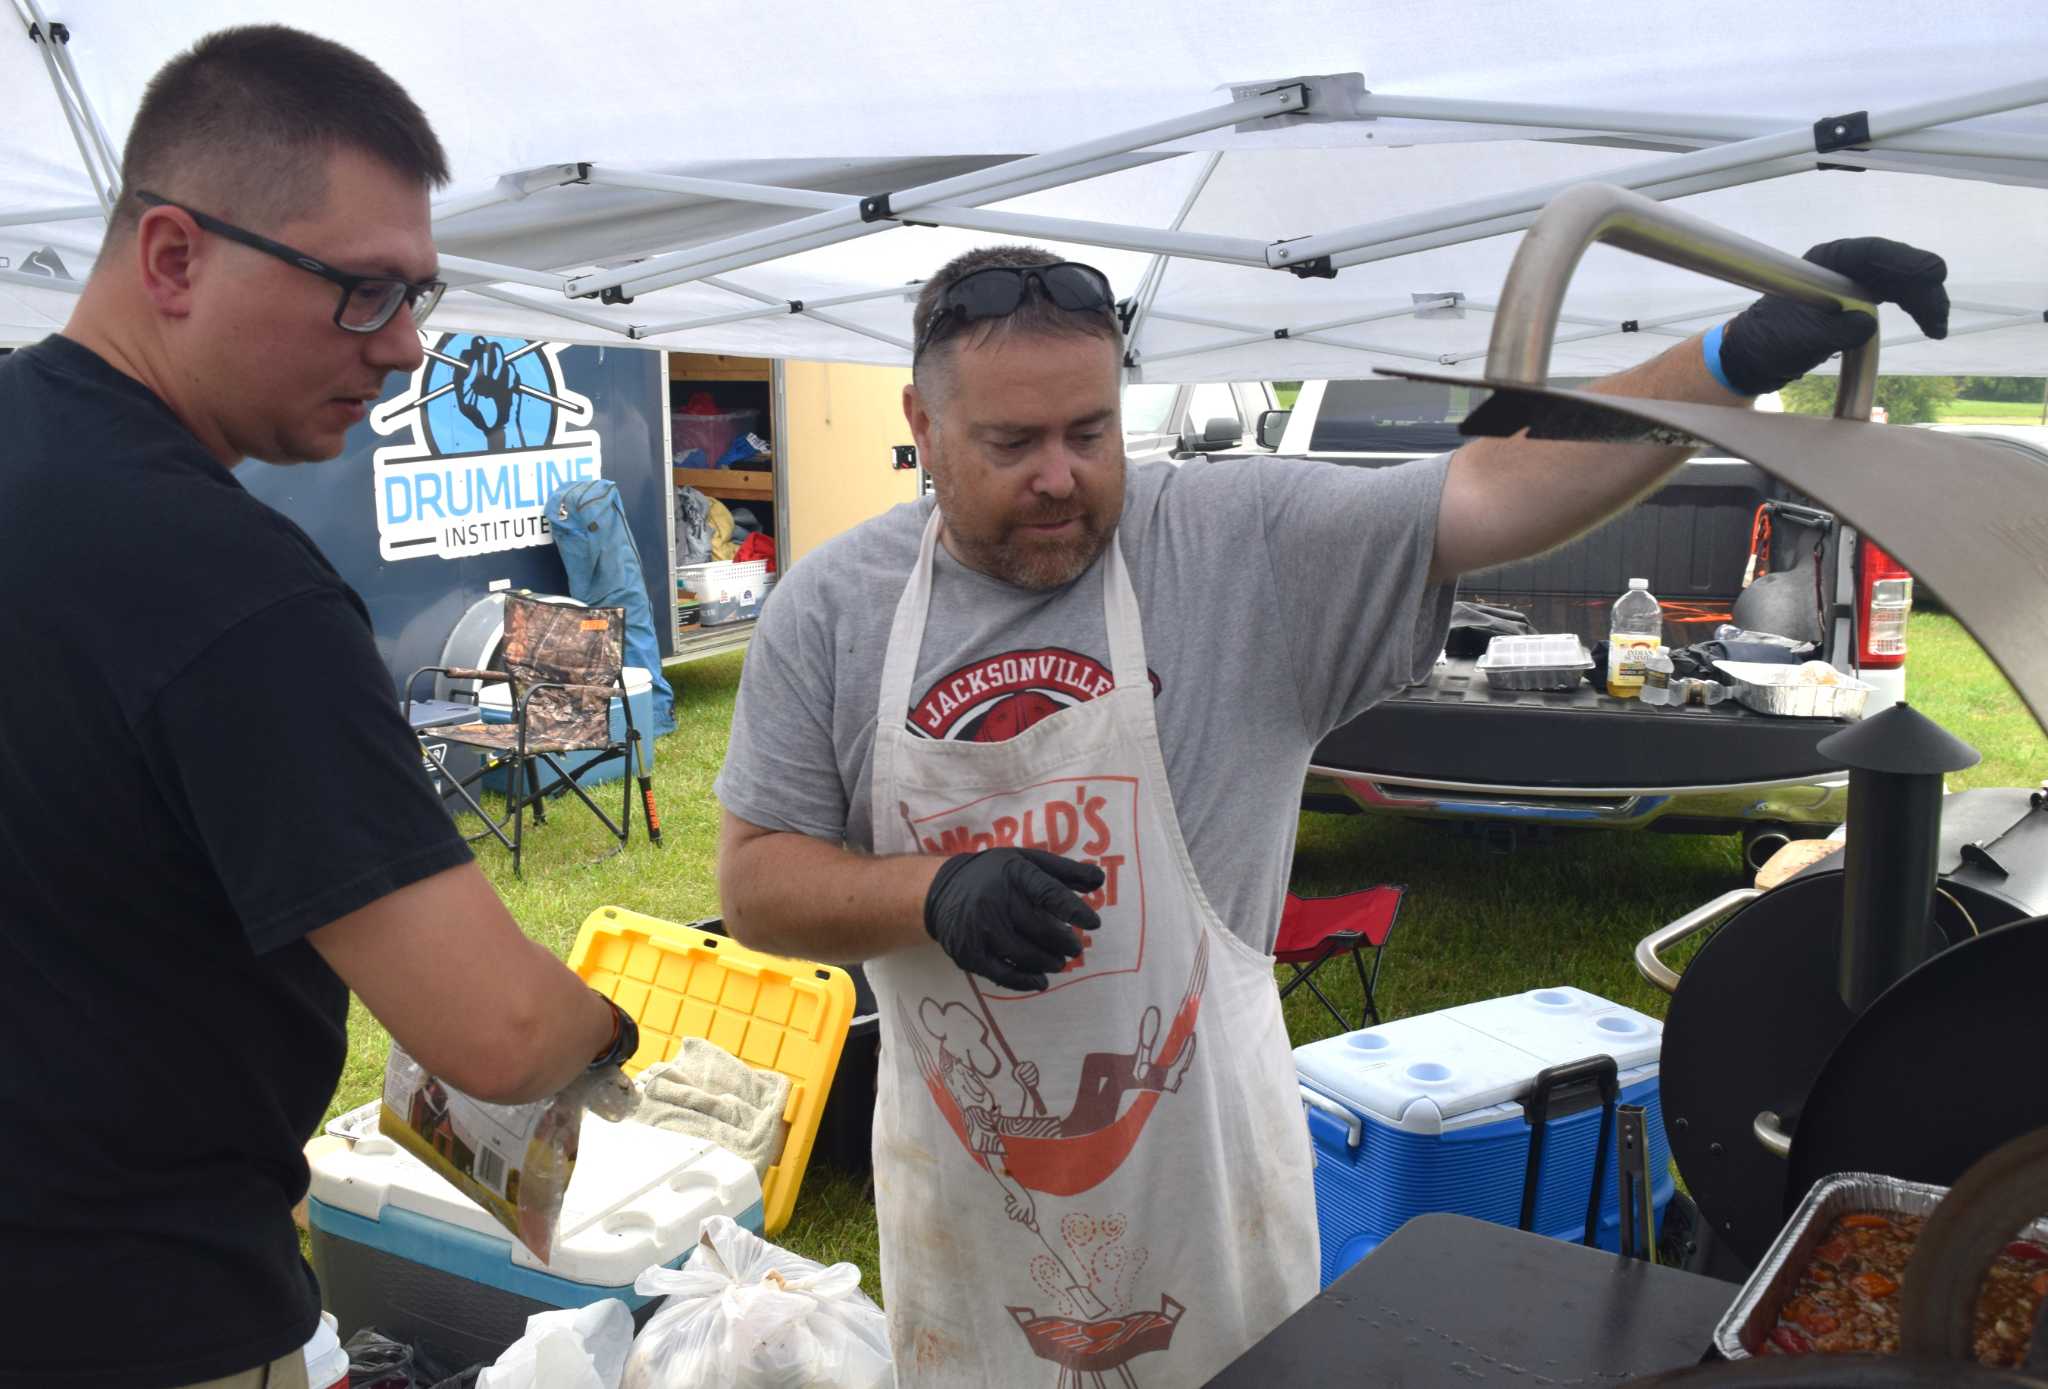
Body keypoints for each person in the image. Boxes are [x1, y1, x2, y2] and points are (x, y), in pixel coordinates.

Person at [714, 240, 1948, 1384]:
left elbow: (1499, 486)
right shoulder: (833, 611)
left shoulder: (1236, 545)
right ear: (921, 424)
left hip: (1206, 1191)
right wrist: (928, 893)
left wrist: (1733, 358)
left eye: (1089, 432)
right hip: (968, 1202)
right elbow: (756, 882)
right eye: (1009, 442)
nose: (1059, 477)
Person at [0, 27, 636, 1389]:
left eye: (418, 295)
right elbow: (496, 1033)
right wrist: (605, 1030)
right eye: (363, 291)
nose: (404, 347)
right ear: (174, 257)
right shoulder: (232, 584)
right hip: (135, 1315)